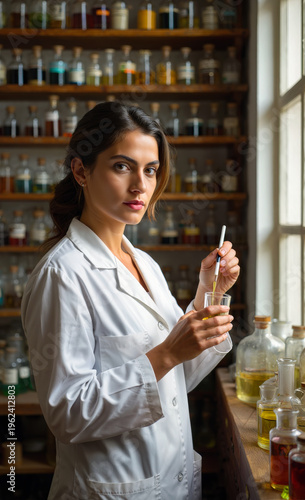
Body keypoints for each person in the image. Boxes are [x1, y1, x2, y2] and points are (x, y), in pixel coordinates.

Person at [21, 101, 240, 500]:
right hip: (110, 488)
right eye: (122, 166)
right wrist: (166, 355)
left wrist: (212, 292)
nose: (140, 184)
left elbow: (178, 379)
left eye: (151, 169)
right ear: (81, 171)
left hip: (168, 482)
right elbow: (66, 414)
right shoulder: (62, 275)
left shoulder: (144, 264)